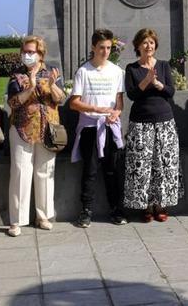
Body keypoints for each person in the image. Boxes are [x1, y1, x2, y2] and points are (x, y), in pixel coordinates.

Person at [6, 35, 65, 237]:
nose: (27, 55)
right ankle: (16, 220)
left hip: (48, 129)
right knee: (21, 173)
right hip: (22, 129)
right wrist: (31, 87)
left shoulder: (51, 73)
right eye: (25, 51)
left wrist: (53, 84)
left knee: (45, 171)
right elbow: (13, 103)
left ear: (41, 54)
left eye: (31, 52)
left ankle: (44, 216)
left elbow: (60, 99)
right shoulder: (16, 76)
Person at [70, 28, 127, 228]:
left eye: (109, 48)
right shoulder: (83, 72)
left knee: (112, 170)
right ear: (93, 47)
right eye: (101, 47)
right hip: (90, 127)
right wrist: (94, 108)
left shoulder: (117, 71)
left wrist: (115, 112)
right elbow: (74, 103)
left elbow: (119, 102)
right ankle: (86, 211)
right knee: (90, 170)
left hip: (110, 127)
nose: (105, 51)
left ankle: (116, 210)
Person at [122, 28, 180, 222]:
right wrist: (145, 81)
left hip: (164, 121)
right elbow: (131, 95)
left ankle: (160, 205)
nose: (149, 46)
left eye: (152, 42)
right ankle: (145, 206)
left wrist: (159, 85)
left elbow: (171, 91)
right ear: (138, 46)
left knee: (163, 165)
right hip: (141, 122)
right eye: (145, 42)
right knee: (142, 166)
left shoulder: (163, 66)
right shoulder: (132, 69)